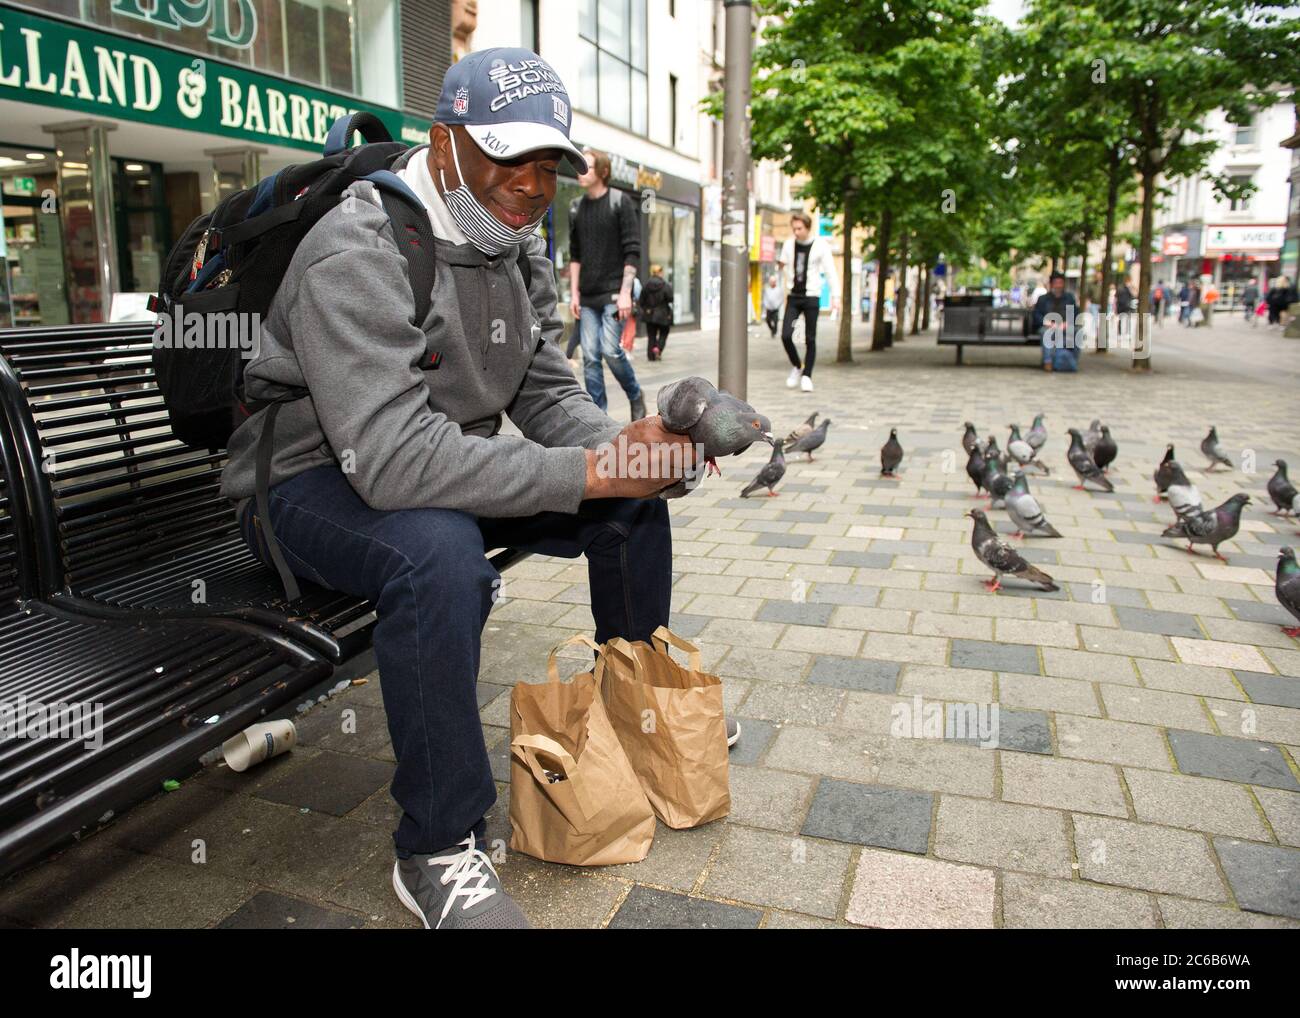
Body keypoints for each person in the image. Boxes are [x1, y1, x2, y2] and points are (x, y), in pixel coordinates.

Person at [220, 48, 692, 929]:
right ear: (443, 142)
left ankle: (635, 709)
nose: (530, 184)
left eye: (546, 162)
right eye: (505, 155)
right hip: (299, 487)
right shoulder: (355, 248)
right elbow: (395, 463)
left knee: (629, 503)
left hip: (425, 465)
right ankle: (438, 847)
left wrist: (634, 454)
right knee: (438, 557)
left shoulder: (508, 244)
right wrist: (593, 469)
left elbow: (547, 393)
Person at [568, 148, 645, 419]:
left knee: (611, 351)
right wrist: (573, 293)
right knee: (590, 356)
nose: (581, 171)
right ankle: (598, 416)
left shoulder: (619, 202)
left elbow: (632, 251)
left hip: (614, 292)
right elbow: (575, 255)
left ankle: (635, 394)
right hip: (588, 295)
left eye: (587, 166)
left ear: (602, 171)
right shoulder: (576, 207)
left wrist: (626, 293)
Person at [777, 211, 839, 392]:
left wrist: (835, 296)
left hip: (812, 295)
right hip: (794, 296)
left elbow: (830, 272)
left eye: (799, 228)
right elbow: (782, 267)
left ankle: (807, 376)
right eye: (794, 228)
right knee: (786, 335)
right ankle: (797, 366)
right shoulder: (788, 245)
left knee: (810, 338)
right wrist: (780, 267)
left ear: (807, 228)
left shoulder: (821, 246)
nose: (796, 232)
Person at [1031, 270, 1077, 372]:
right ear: (1051, 284)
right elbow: (1036, 314)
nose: (1058, 286)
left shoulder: (1069, 298)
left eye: (1060, 283)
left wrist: (1067, 323)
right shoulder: (1043, 299)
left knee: (1075, 332)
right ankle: (1048, 362)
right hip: (1048, 326)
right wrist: (1047, 322)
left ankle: (1069, 361)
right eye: (1056, 283)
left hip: (1064, 326)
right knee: (1046, 333)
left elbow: (1074, 313)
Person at [637, 263, 674, 360]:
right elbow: (670, 298)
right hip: (663, 314)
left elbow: (641, 301)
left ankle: (651, 356)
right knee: (664, 333)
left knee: (651, 335)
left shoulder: (646, 286)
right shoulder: (665, 285)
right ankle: (658, 348)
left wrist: (647, 308)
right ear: (659, 273)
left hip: (650, 314)